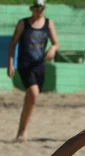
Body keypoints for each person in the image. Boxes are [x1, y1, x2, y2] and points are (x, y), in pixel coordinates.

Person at [7, 0, 59, 143]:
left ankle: (22, 127)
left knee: (32, 98)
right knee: (33, 93)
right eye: (37, 7)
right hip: (25, 64)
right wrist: (10, 63)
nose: (39, 10)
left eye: (41, 8)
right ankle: (22, 131)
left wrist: (53, 49)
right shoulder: (23, 23)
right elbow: (13, 44)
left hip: (39, 65)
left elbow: (56, 43)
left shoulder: (49, 24)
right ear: (32, 9)